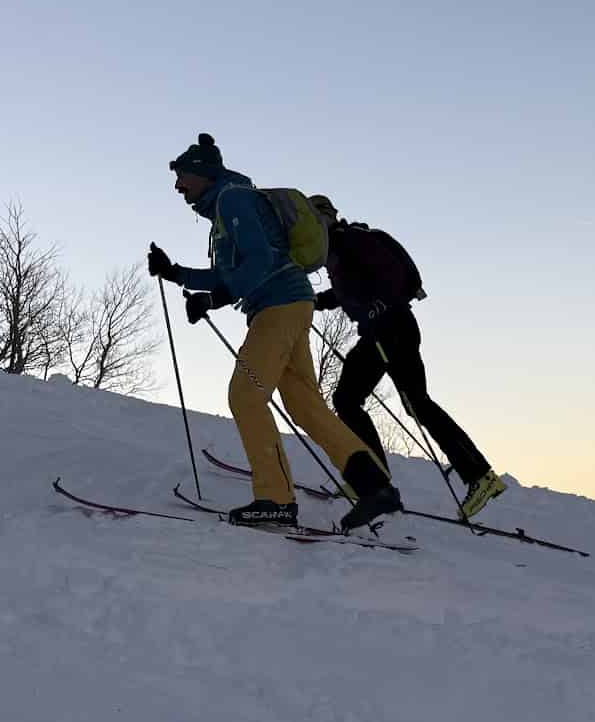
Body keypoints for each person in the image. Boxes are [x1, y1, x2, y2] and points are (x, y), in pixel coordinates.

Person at [149, 134, 400, 531]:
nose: (178, 186)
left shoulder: (232, 200)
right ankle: (375, 486)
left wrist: (213, 299)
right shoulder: (228, 207)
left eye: (183, 176)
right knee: (304, 405)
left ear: (203, 173)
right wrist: (176, 273)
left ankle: (277, 499)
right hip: (292, 303)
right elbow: (232, 272)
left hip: (278, 307)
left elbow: (260, 261)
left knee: (245, 395)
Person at [308, 195, 508, 520]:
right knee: (371, 400)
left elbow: (387, 275)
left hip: (391, 327)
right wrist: (317, 301)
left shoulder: (353, 240)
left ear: (331, 216)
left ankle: (475, 476)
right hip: (382, 330)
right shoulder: (336, 255)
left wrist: (380, 308)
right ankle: (380, 479)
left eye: (319, 217)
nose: (316, 225)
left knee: (394, 402)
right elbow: (349, 292)